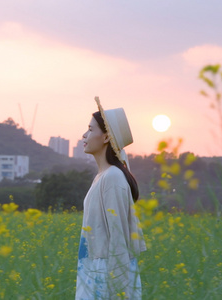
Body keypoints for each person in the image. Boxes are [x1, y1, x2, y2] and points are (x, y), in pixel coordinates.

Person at [76, 97, 146, 300]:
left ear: (106, 137)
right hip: (94, 270)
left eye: (90, 129)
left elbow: (118, 240)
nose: (84, 135)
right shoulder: (102, 176)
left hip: (106, 276)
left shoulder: (113, 178)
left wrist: (119, 292)